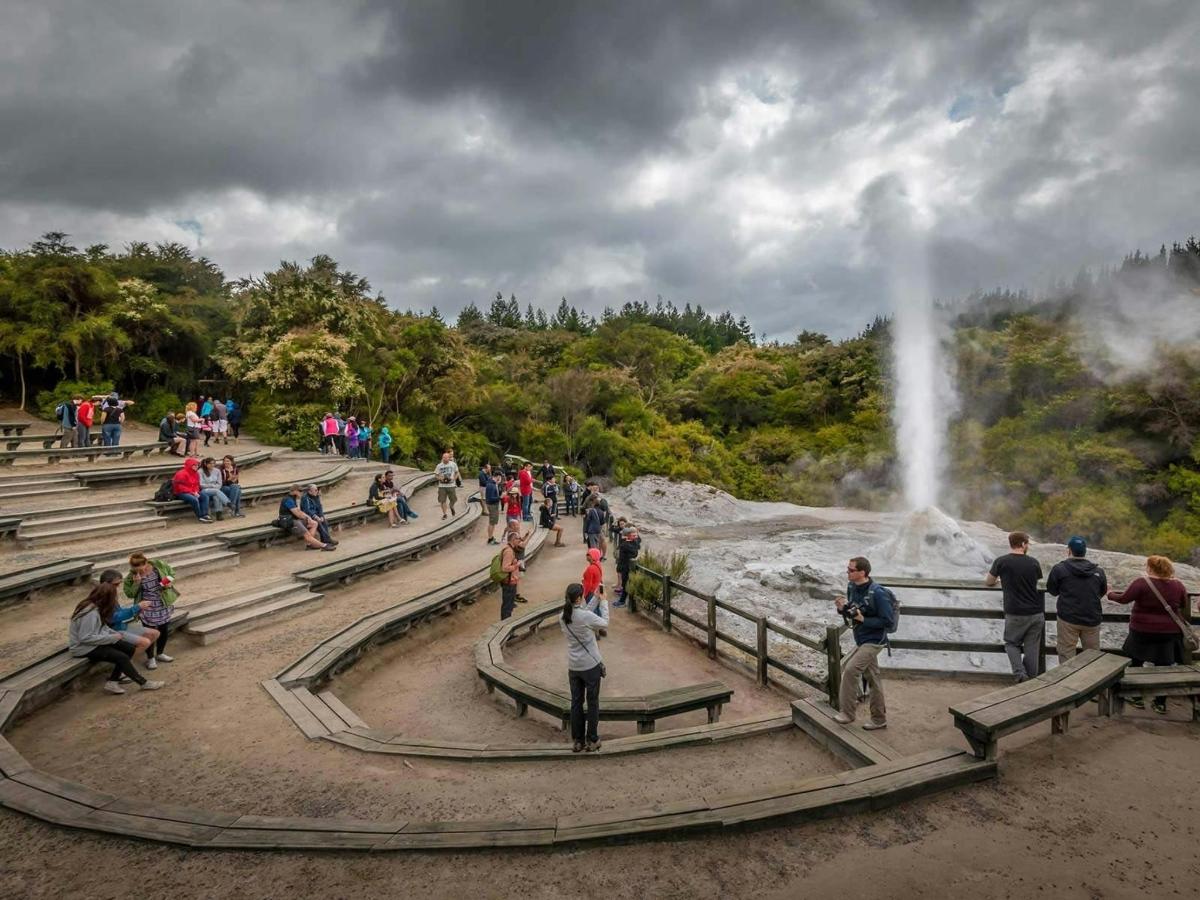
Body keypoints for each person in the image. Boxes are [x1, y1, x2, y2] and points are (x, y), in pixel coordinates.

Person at [1108, 555, 1190, 713]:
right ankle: (1160, 702)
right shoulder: (1178, 585)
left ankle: (1136, 697)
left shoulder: (1142, 583)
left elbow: (1124, 599)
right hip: (1169, 632)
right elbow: (1184, 603)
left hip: (1142, 631)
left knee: (1135, 661)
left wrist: (1109, 593)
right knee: (1164, 665)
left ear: (1150, 568)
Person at [68, 581, 164, 694]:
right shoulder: (90, 613)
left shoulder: (96, 607)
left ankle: (112, 683)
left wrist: (114, 635)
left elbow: (102, 628)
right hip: (84, 647)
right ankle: (143, 683)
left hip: (97, 640)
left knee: (129, 649)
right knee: (121, 657)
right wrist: (112, 638)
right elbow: (85, 638)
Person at [833, 556, 895, 730]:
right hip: (861, 638)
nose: (847, 572)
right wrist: (842, 609)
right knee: (874, 680)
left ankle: (847, 713)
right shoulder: (852, 586)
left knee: (851, 670)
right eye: (848, 568)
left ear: (862, 572)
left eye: (851, 570)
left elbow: (888, 622)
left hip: (874, 641)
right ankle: (879, 719)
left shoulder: (878, 593)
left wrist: (863, 619)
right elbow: (854, 612)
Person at [986, 531, 1045, 683]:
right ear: (1024, 544)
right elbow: (1036, 582)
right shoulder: (1033, 562)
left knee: (1012, 644)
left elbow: (989, 581)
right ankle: (1030, 683)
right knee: (1032, 648)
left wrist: (1001, 580)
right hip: (1036, 612)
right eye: (1028, 544)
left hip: (1015, 612)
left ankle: (1020, 676)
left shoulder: (1001, 561)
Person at [560, 582, 609, 753]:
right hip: (590, 665)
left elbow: (582, 613)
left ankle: (578, 740)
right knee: (593, 703)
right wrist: (603, 601)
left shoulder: (563, 616)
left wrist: (595, 597)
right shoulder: (584, 617)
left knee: (576, 703)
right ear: (579, 598)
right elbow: (604, 623)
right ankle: (592, 738)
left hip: (574, 666)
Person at [1045, 536, 1107, 661]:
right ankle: (1092, 680)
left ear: (1069, 551)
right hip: (1092, 618)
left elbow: (1052, 590)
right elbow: (1102, 592)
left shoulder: (1059, 569)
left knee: (1066, 653)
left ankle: (1067, 679)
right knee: (1092, 656)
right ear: (1085, 551)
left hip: (1068, 618)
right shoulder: (1098, 571)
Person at [123, 552, 179, 669]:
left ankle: (160, 653)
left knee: (163, 629)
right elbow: (129, 594)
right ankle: (150, 658)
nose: (139, 572)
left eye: (141, 568)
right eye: (135, 569)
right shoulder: (131, 576)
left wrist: (165, 583)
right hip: (146, 607)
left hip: (162, 603)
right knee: (149, 633)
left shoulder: (158, 565)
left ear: (146, 563)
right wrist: (136, 583)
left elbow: (171, 573)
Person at [278, 484, 335, 549]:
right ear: (294, 491)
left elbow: (299, 511)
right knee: (307, 534)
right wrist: (308, 517)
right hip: (289, 521)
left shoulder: (293, 498)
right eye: (300, 491)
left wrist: (309, 517)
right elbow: (298, 514)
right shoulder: (288, 500)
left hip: (294, 519)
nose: (301, 492)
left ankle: (310, 544)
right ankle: (324, 545)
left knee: (314, 523)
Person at [171, 458, 212, 522]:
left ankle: (205, 514)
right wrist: (192, 492)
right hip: (181, 493)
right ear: (190, 465)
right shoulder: (181, 474)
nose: (196, 467)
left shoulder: (196, 474)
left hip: (192, 492)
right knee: (194, 499)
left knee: (205, 496)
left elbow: (196, 485)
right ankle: (200, 516)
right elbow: (180, 487)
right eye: (194, 465)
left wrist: (196, 491)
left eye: (197, 465)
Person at [498, 530, 524, 620]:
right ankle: (505, 626)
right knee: (507, 607)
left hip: (511, 581)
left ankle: (506, 624)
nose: (519, 541)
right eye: (518, 539)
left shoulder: (510, 549)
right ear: (513, 539)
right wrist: (517, 565)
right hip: (509, 583)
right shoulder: (509, 551)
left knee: (509, 606)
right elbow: (504, 568)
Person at [614, 525, 641, 607]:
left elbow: (634, 552)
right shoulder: (626, 544)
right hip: (625, 566)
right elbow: (635, 552)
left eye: (635, 535)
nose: (635, 537)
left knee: (626, 584)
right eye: (633, 535)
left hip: (627, 567)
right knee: (625, 584)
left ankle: (622, 601)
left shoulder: (629, 543)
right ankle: (623, 601)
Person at [435, 450, 460, 519]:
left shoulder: (453, 464)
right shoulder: (439, 465)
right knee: (442, 500)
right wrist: (440, 478)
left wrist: (453, 479)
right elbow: (436, 475)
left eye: (446, 458)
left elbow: (457, 473)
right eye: (443, 457)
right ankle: (445, 514)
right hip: (442, 486)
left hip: (451, 485)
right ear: (442, 458)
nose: (445, 459)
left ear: (449, 458)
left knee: (454, 499)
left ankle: (451, 506)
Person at [484, 471, 503, 545]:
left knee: (493, 522)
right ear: (498, 476)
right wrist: (500, 497)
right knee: (492, 522)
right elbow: (490, 498)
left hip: (493, 505)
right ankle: (490, 539)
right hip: (492, 505)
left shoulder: (493, 483)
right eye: (500, 477)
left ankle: (491, 537)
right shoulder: (491, 485)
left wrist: (497, 484)